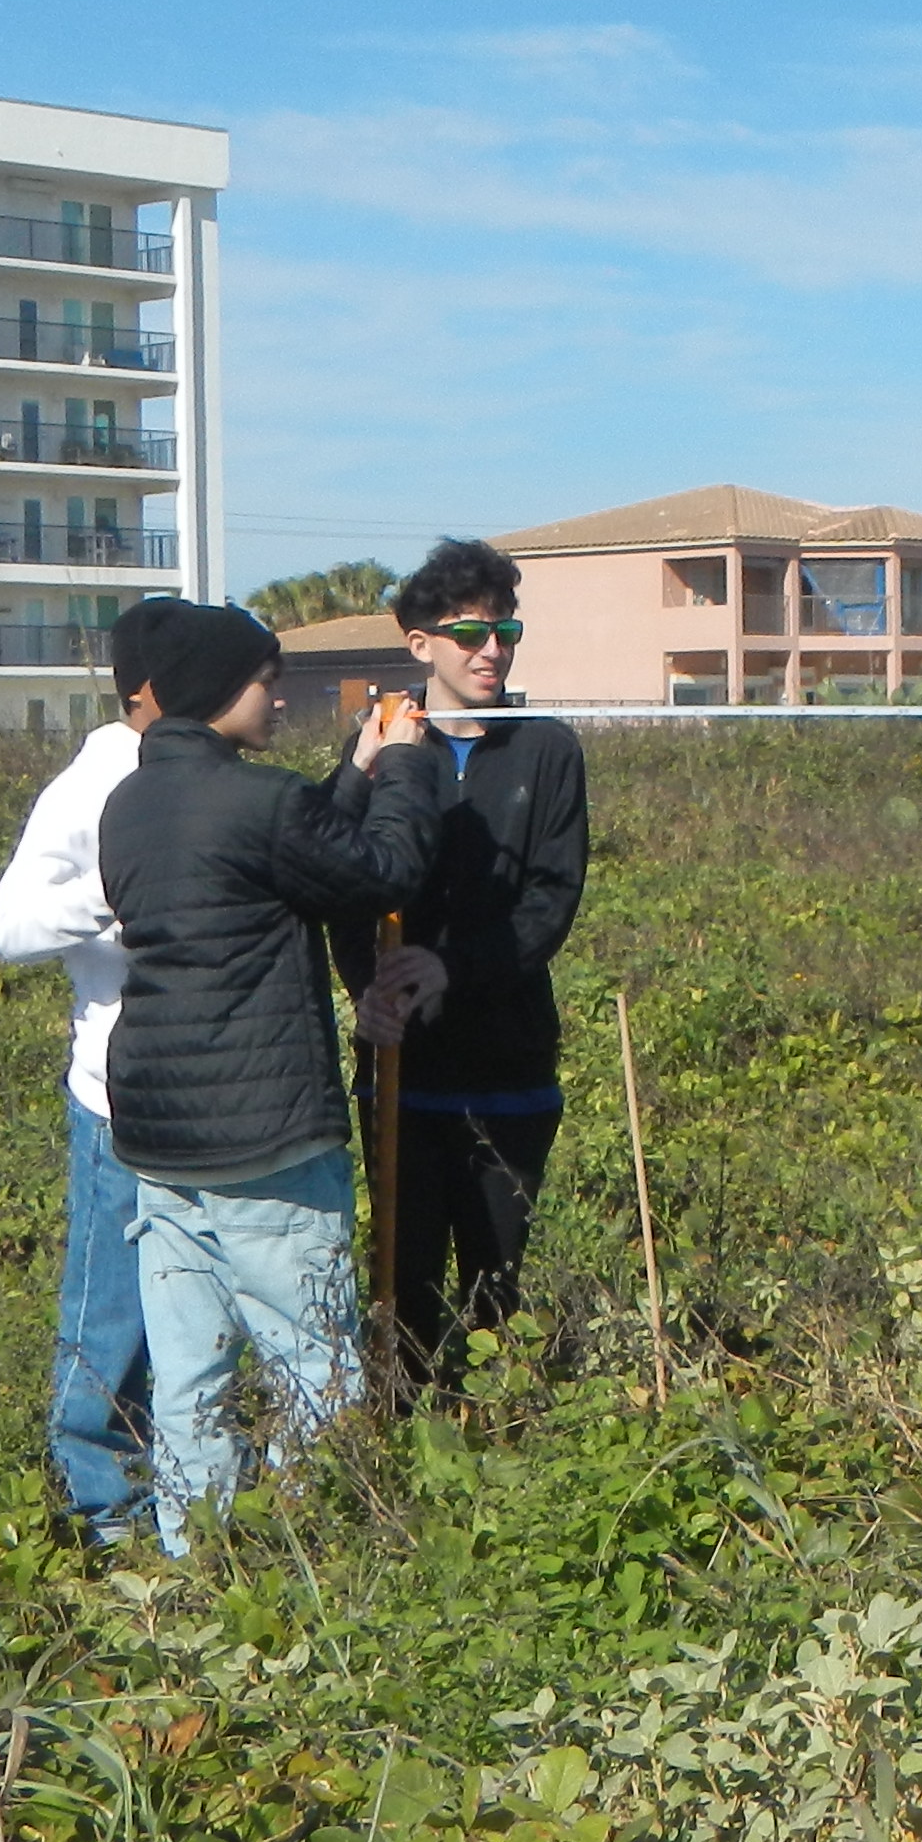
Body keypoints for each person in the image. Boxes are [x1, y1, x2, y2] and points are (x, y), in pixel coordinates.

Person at [96, 599, 440, 1551]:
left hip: (160, 1136)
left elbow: (280, 856)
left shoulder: (131, 804)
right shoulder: (259, 801)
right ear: (218, 691)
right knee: (313, 1363)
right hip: (267, 1136)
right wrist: (409, 763)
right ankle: (325, 1556)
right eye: (263, 679)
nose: (277, 696)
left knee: (190, 1374)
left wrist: (355, 769)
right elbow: (380, 871)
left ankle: (191, 1555)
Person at [347, 536, 593, 1384]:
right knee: (401, 1288)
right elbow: (343, 884)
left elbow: (550, 899)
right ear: (420, 644)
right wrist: (364, 996)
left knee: (496, 1290)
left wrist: (455, 967)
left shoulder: (547, 749)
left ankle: (497, 1445)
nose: (491, 651)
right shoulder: (379, 745)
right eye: (469, 634)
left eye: (505, 632)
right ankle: (400, 1458)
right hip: (400, 1073)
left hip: (509, 1068)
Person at [0, 616, 173, 1542]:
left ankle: (181, 1499)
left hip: (200, 1091)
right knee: (111, 1306)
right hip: (114, 1093)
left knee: (181, 1304)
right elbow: (11, 928)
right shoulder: (92, 785)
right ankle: (104, 1508)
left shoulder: (199, 772)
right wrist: (122, 890)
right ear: (143, 692)